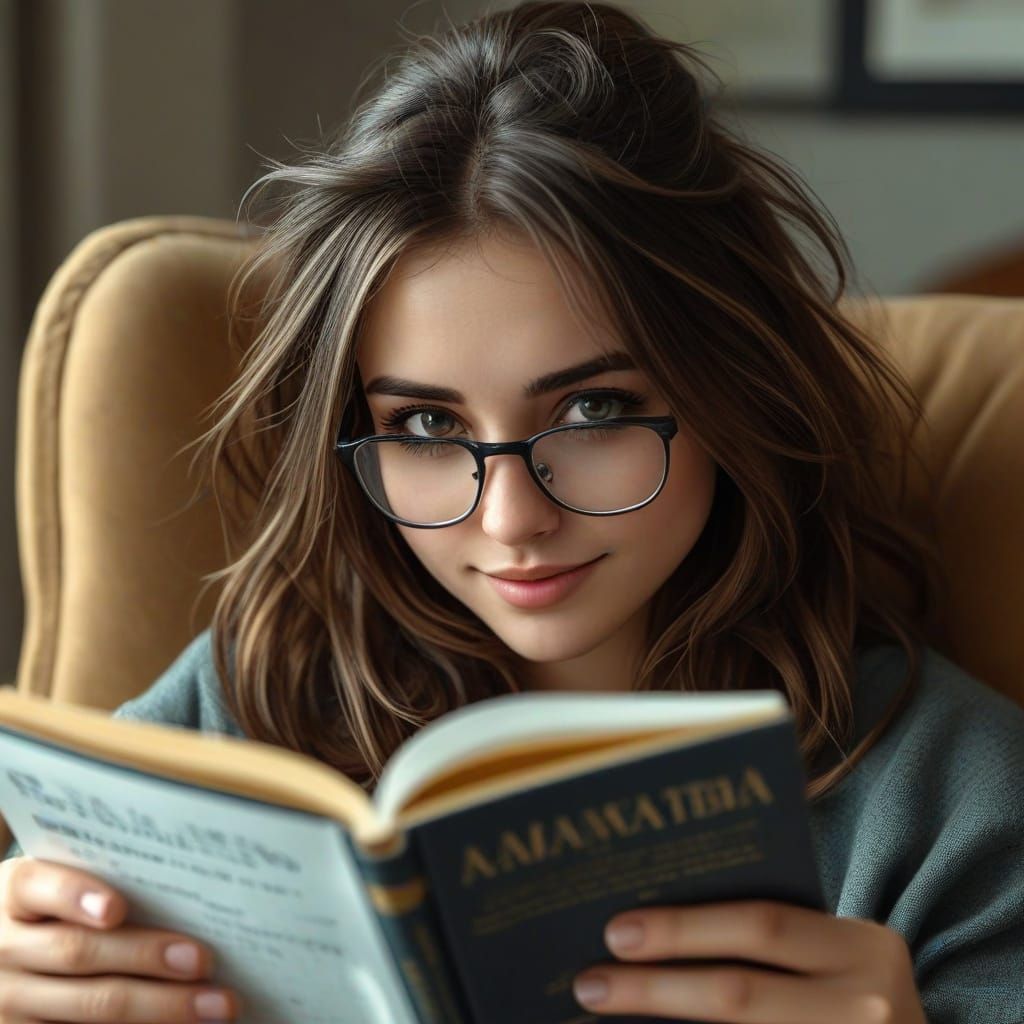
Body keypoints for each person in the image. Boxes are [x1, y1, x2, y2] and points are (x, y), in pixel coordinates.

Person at [2, 2, 1022, 1022]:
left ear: (729, 393)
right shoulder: (242, 706)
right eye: (424, 426)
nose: (510, 517)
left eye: (592, 409)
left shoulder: (951, 802)